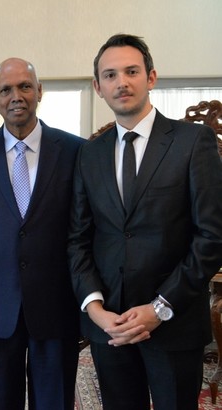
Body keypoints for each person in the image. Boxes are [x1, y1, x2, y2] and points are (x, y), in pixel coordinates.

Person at [68, 33, 222, 410]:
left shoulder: (193, 141)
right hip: (111, 326)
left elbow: (211, 236)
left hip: (174, 323)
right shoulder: (89, 154)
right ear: (98, 87)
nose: (121, 82)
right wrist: (95, 309)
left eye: (131, 71)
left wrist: (159, 308)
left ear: (151, 77)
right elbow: (78, 238)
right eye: (110, 75)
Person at [0, 58, 84, 409]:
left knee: (54, 402)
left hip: (57, 308)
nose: (16, 96)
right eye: (6, 90)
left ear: (39, 91)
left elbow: (84, 230)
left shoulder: (76, 151)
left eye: (25, 86)